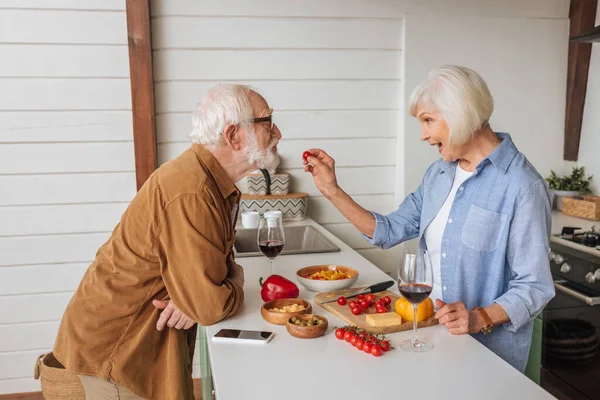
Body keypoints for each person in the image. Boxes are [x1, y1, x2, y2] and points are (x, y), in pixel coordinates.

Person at [303, 65, 554, 372]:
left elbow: (535, 285)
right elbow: (389, 230)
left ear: (461, 114)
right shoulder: (438, 174)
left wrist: (480, 317)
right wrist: (331, 190)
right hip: (429, 336)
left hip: (486, 357)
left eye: (428, 121)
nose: (423, 135)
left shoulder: (523, 186)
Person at [53, 84, 282, 399]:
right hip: (119, 352)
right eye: (267, 123)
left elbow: (208, 283)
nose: (277, 133)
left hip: (140, 344)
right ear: (233, 135)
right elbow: (209, 305)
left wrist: (199, 295)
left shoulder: (211, 182)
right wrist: (232, 282)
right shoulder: (192, 191)